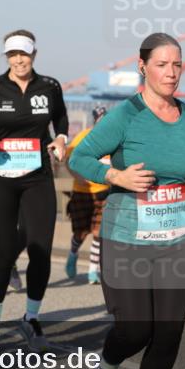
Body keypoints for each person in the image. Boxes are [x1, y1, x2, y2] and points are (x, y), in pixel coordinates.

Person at [69, 32, 185, 369]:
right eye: (162, 64)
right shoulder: (127, 115)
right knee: (137, 328)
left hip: (174, 239)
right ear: (143, 67)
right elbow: (79, 156)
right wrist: (116, 175)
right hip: (126, 238)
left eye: (177, 65)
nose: (171, 73)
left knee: (170, 328)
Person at [0, 29, 68, 352]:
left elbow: (61, 120)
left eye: (24, 53)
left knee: (40, 250)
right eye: (12, 54)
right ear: (6, 56)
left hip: (37, 177)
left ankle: (31, 319)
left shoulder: (49, 86)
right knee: (5, 252)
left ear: (34, 54)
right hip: (0, 178)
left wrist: (62, 139)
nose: (19, 60)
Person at [64, 106, 110, 282]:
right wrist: (77, 176)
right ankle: (73, 253)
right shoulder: (83, 136)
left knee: (99, 232)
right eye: (101, 119)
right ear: (95, 120)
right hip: (83, 191)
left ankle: (93, 270)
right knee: (81, 233)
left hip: (104, 191)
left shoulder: (113, 138)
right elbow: (68, 160)